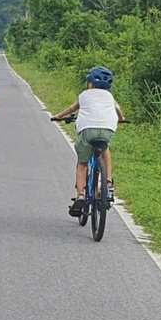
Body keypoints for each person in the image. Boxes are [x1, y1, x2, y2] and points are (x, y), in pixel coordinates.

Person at [49, 66, 123, 218]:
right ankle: (108, 183)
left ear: (91, 83)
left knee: (82, 163)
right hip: (107, 129)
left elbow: (72, 109)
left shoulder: (84, 95)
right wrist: (121, 120)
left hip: (87, 130)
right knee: (105, 149)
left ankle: (81, 195)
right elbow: (118, 110)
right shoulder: (109, 97)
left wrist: (59, 116)